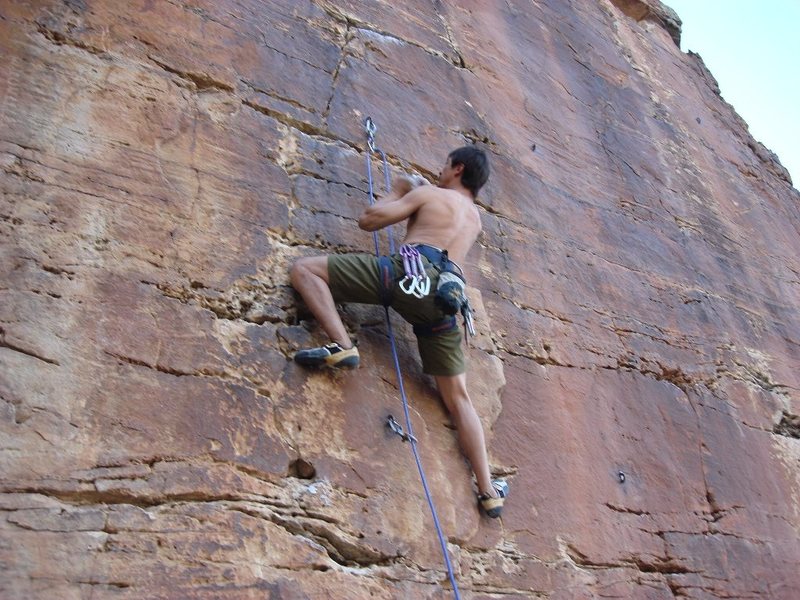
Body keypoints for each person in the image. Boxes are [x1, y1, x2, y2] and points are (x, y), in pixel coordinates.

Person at [289, 146, 507, 518]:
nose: (439, 171)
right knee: (459, 399)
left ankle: (342, 345)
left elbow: (370, 220)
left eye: (443, 164)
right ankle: (488, 491)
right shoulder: (474, 219)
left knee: (304, 270)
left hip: (406, 274)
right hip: (443, 297)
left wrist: (400, 189)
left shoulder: (431, 194)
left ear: (457, 168)